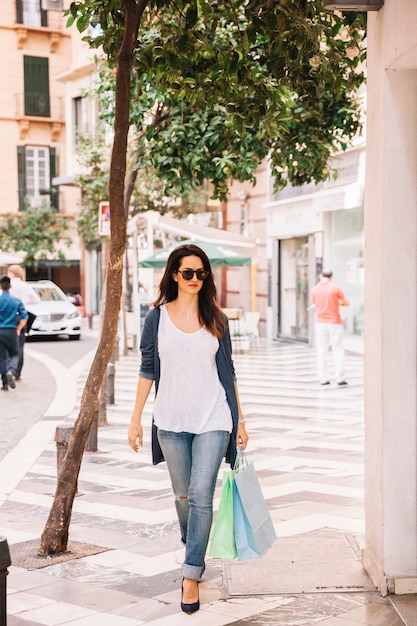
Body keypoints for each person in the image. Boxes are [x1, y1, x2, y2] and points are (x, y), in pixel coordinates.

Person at [127, 243, 248, 615]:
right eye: (187, 273)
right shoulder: (156, 319)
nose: (195, 279)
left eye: (201, 273)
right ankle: (193, 547)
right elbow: (148, 369)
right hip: (171, 421)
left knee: (200, 494)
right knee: (184, 498)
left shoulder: (217, 319)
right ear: (174, 275)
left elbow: (228, 372)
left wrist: (240, 420)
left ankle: (191, 574)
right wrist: (135, 419)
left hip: (214, 418)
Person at [310, 269, 350, 386]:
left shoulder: (314, 290)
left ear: (320, 276)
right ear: (331, 278)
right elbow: (346, 303)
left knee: (322, 351)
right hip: (334, 321)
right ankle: (340, 378)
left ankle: (323, 378)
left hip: (320, 322)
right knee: (338, 349)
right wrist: (338, 303)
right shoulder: (335, 288)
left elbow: (315, 305)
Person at [8, 265, 40, 380]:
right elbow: (36, 300)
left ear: (11, 273)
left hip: (8, 317)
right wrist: (25, 302)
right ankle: (17, 373)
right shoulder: (26, 286)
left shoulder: (7, 285)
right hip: (22, 317)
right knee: (20, 345)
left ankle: (9, 369)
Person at [0, 275, 28, 391]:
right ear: (10, 286)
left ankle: (5, 384)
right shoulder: (16, 301)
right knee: (15, 354)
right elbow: (24, 316)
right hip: (11, 331)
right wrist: (18, 328)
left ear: (0, 287)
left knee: (1, 357)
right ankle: (11, 370)